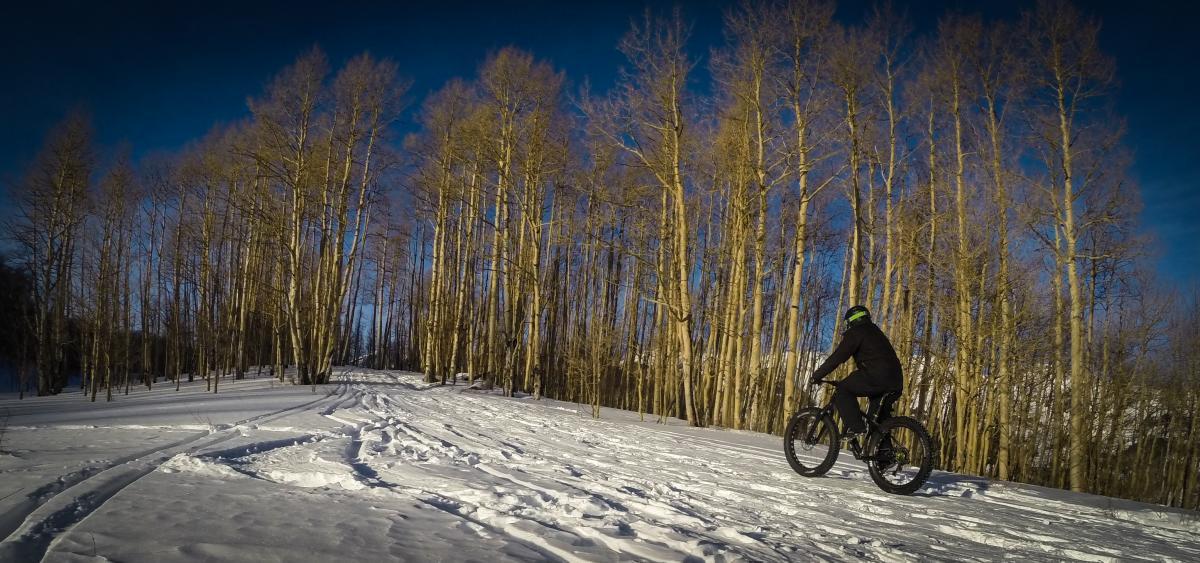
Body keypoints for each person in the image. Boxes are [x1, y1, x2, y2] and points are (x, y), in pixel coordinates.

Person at [808, 305, 903, 439]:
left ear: (851, 320)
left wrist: (817, 375)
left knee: (843, 389)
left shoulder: (857, 332)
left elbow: (837, 357)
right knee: (878, 423)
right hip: (896, 381)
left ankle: (856, 427)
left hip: (877, 376)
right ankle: (884, 457)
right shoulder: (875, 331)